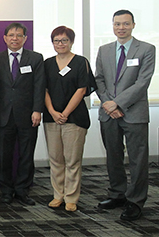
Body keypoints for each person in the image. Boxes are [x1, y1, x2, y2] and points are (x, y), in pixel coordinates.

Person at [95, 9, 156, 221]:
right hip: (109, 114)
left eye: (125, 24)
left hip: (134, 113)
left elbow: (142, 83)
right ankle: (117, 194)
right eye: (117, 24)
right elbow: (99, 79)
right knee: (113, 156)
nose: (121, 27)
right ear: (112, 26)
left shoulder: (147, 49)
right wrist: (107, 104)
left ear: (133, 25)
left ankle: (136, 201)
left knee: (138, 159)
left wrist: (117, 102)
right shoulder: (104, 50)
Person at [43, 26, 93, 212]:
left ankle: (71, 197)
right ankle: (58, 195)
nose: (60, 44)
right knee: (56, 159)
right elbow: (43, 89)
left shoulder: (81, 62)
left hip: (74, 118)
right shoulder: (47, 64)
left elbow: (82, 89)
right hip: (52, 117)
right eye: (57, 40)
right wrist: (53, 111)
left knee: (72, 160)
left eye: (64, 40)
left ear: (71, 41)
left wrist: (65, 112)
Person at [0, 23, 44, 206]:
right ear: (5, 38)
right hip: (4, 115)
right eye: (11, 35)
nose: (15, 38)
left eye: (19, 35)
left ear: (25, 38)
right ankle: (6, 191)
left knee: (26, 154)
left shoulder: (36, 58)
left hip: (28, 115)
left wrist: (37, 110)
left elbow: (40, 86)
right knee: (4, 156)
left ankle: (23, 190)